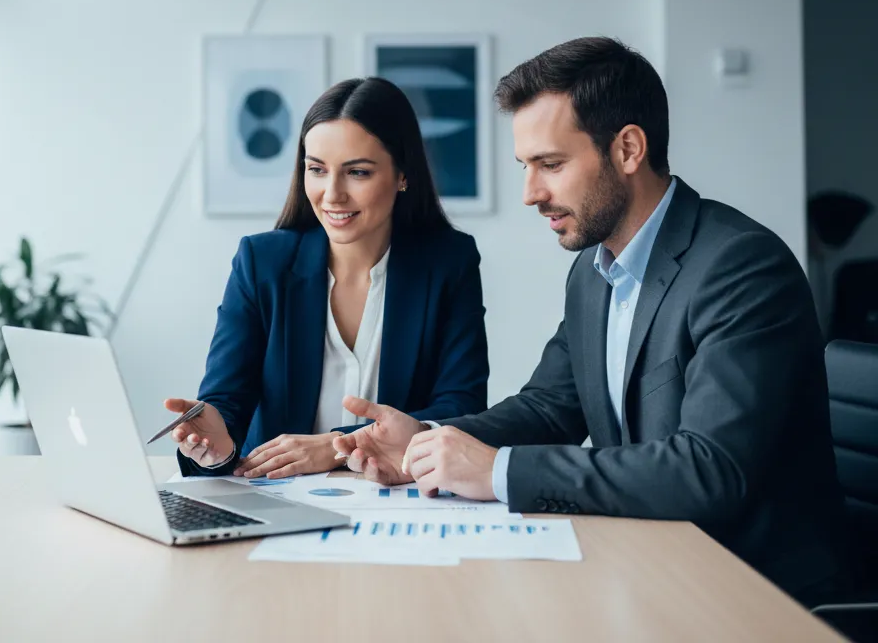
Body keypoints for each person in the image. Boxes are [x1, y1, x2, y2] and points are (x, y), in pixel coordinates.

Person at [334, 37, 846, 604]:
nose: (531, 193)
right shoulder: (593, 270)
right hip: (648, 565)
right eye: (526, 166)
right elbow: (551, 407)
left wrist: (499, 472)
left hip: (753, 592)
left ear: (627, 149)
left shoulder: (739, 266)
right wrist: (429, 445)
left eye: (550, 165)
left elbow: (709, 470)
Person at [161, 77, 490, 481]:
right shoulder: (261, 261)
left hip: (395, 500)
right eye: (316, 169)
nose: (332, 194)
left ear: (403, 175)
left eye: (357, 172)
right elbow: (226, 403)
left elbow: (461, 409)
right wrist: (215, 446)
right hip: (275, 496)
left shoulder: (448, 262)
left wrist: (333, 446)